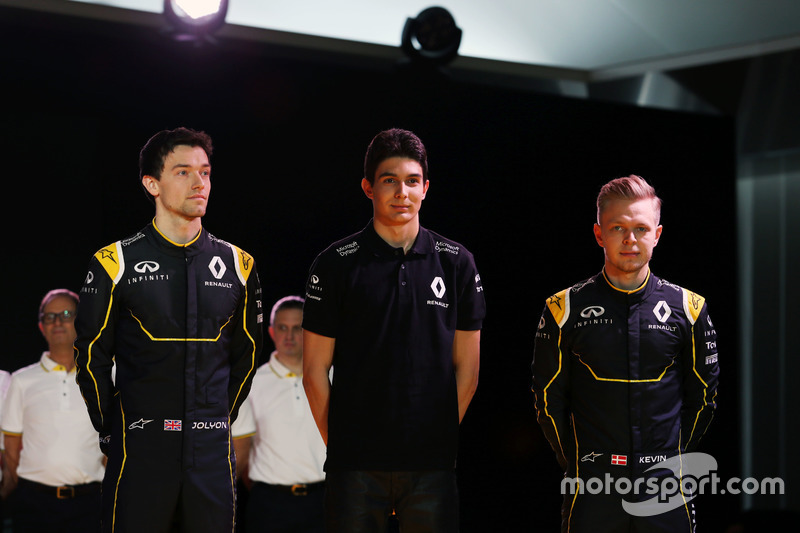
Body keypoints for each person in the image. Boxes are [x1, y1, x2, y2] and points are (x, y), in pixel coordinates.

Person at [74, 127, 264, 533]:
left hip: (212, 451)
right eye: (183, 172)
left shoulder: (240, 265)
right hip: (140, 449)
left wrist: (213, 419)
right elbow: (91, 359)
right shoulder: (113, 262)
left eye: (206, 172)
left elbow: (247, 358)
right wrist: (114, 428)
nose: (200, 183)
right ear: (152, 183)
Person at [302, 128, 486, 533]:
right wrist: (345, 447)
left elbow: (468, 372)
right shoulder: (335, 264)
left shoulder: (457, 263)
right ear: (369, 187)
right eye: (389, 181)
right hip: (355, 469)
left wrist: (433, 441)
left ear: (425, 189)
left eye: (411, 181)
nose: (401, 192)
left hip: (431, 468)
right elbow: (314, 372)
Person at [531, 175, 720, 532]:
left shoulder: (691, 307)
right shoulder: (562, 308)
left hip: (666, 486)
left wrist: (670, 458)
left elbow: (705, 398)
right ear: (599, 234)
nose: (630, 240)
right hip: (593, 486)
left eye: (640, 228)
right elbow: (547, 400)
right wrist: (579, 464)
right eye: (617, 228)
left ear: (657, 235)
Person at [1, 289, 105, 532]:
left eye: (67, 314)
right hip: (34, 505)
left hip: (91, 505)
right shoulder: (21, 381)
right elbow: (12, 451)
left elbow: (114, 443)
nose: (57, 321)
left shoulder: (103, 378)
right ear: (41, 326)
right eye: (50, 316)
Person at [232, 295, 326, 533]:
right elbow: (240, 451)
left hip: (325, 501)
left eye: (297, 328)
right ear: (272, 332)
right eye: (283, 328)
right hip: (270, 505)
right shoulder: (251, 383)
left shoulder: (333, 378)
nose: (290, 336)